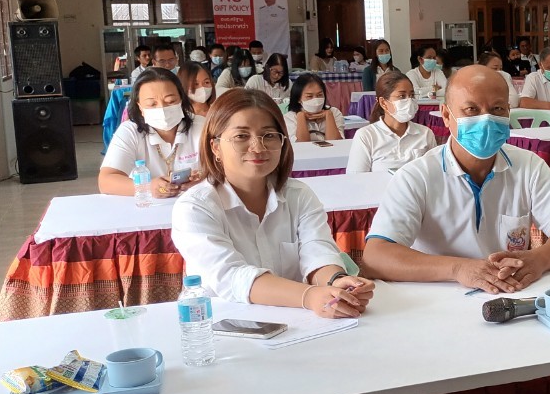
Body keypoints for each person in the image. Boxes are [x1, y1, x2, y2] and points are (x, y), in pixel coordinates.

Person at [363, 66, 550, 293]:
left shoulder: (528, 166)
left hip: (509, 294)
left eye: (497, 109)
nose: (486, 120)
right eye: (471, 109)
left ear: (508, 112)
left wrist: (540, 258)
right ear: (446, 115)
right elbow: (376, 256)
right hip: (439, 298)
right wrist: (458, 269)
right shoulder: (417, 176)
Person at [170, 89, 373, 318]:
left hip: (299, 321)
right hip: (226, 324)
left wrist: (336, 281)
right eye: (241, 136)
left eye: (269, 135)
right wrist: (309, 296)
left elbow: (317, 250)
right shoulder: (195, 208)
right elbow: (231, 276)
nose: (258, 148)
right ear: (215, 147)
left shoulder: (299, 195)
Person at [99, 67, 206, 198]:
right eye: (151, 104)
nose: (162, 109)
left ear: (181, 100)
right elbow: (106, 181)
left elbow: (224, 169)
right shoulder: (130, 131)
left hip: (194, 203)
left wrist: (203, 179)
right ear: (140, 107)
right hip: (147, 205)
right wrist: (147, 187)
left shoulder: (202, 126)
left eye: (170, 101)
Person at [346, 71, 437, 174]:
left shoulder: (425, 134)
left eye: (412, 95)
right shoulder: (366, 135)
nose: (409, 101)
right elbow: (356, 178)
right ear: (383, 103)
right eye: (402, 96)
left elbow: (435, 174)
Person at [285, 73, 345, 142]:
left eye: (320, 95)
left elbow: (336, 143)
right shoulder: (290, 117)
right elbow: (301, 144)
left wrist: (329, 116)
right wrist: (301, 117)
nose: (316, 100)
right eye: (309, 96)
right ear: (298, 98)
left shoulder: (334, 112)